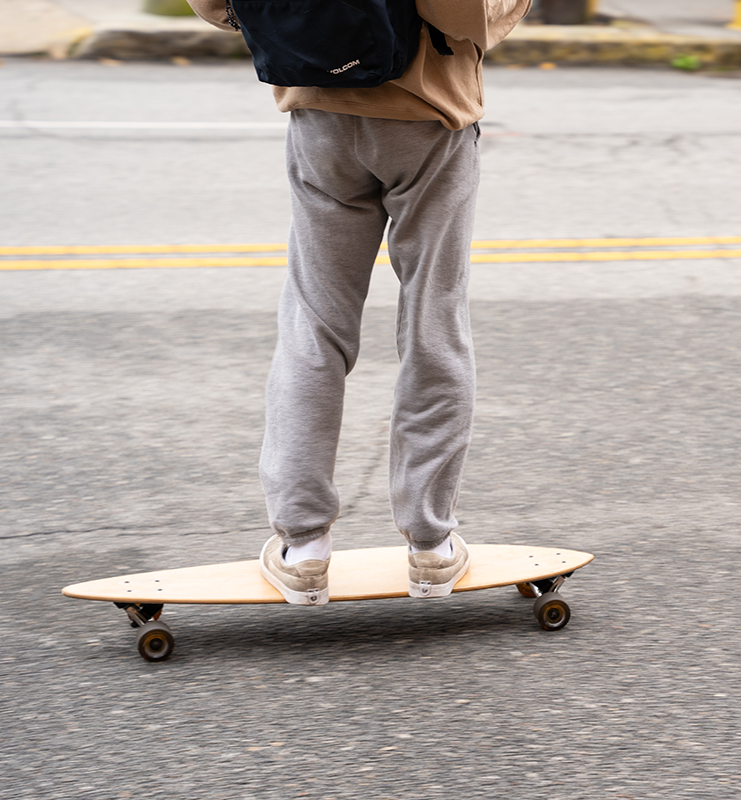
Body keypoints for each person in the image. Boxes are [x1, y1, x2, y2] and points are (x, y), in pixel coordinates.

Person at [187, 0, 531, 604]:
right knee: (434, 321)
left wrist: (301, 27)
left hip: (319, 116)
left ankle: (303, 548)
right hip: (429, 122)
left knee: (313, 325)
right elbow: (464, 13)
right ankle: (430, 547)